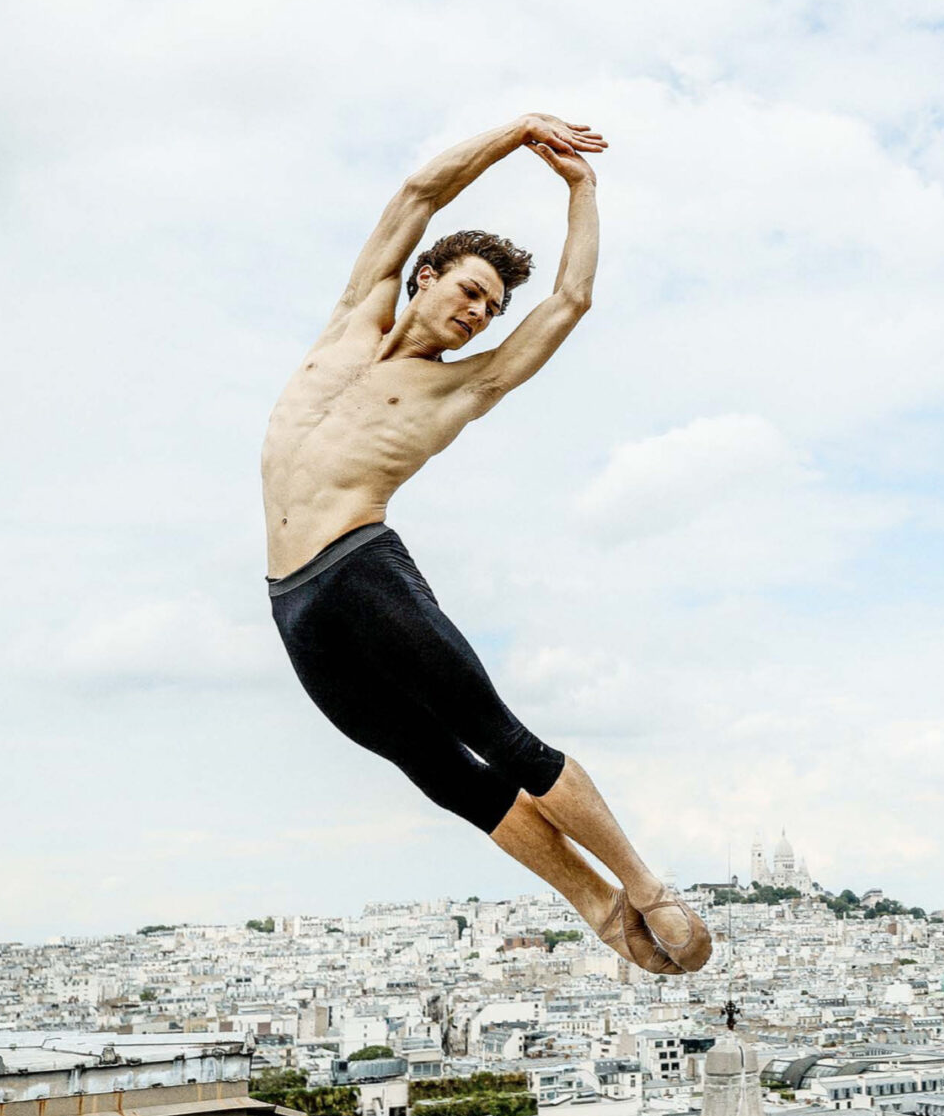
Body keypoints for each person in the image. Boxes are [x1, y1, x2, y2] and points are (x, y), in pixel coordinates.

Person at [260, 113, 710, 976]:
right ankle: (594, 904)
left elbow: (570, 302)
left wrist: (582, 190)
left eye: (492, 309)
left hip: (360, 570)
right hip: (292, 606)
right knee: (433, 769)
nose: (479, 315)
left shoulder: (464, 387)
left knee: (497, 736)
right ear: (424, 276)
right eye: (469, 292)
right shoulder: (354, 315)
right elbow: (419, 194)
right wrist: (514, 136)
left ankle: (644, 884)